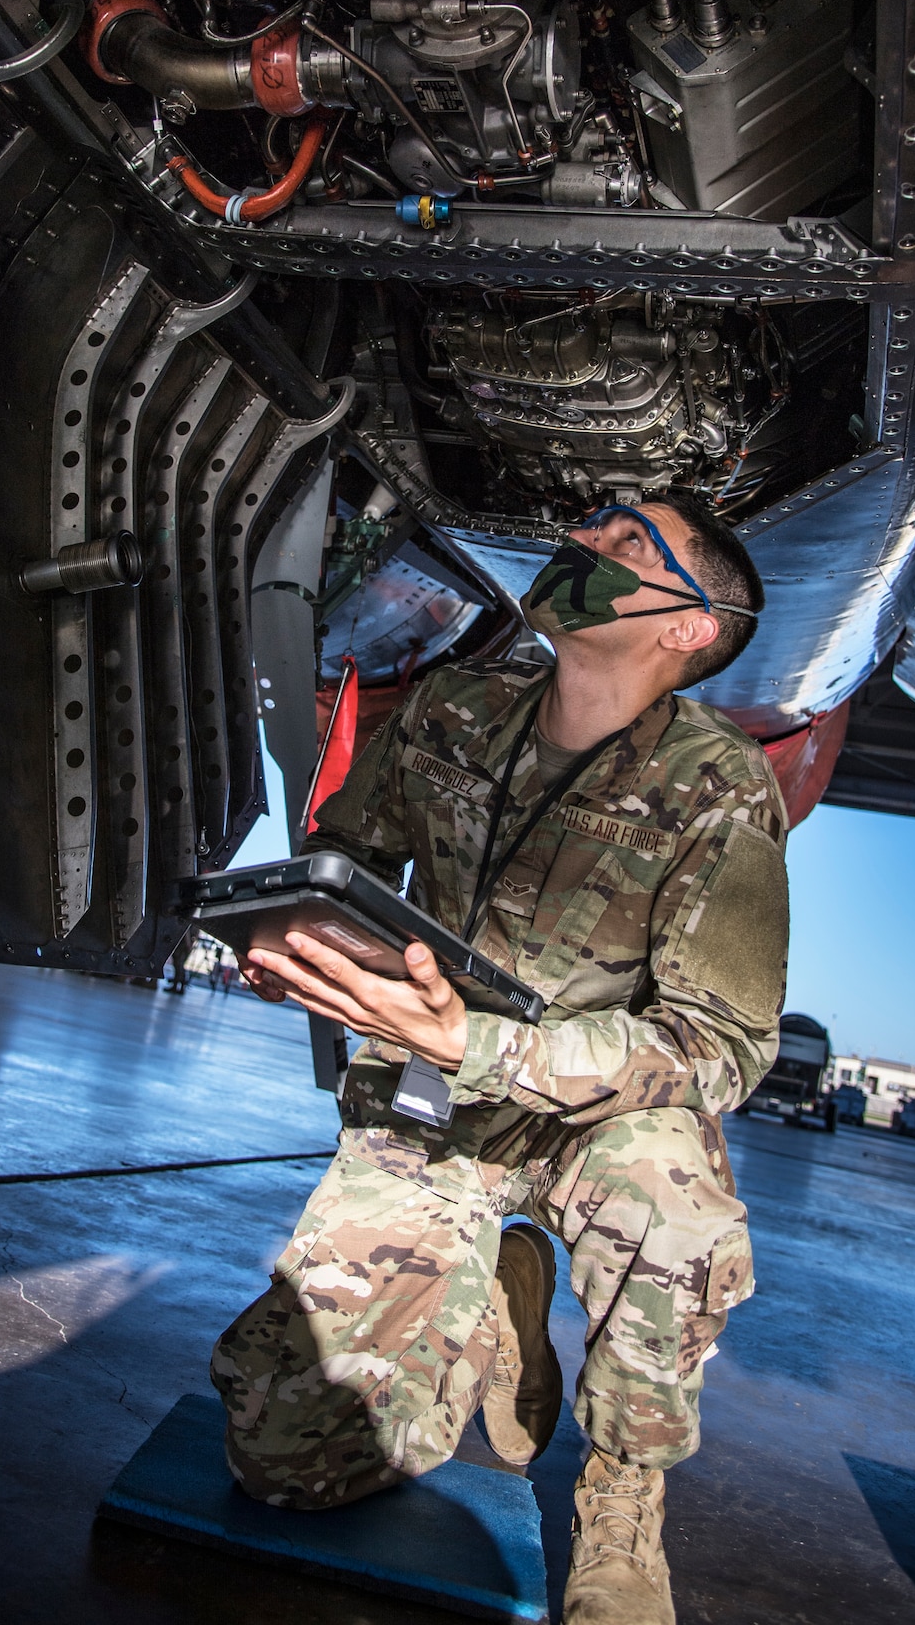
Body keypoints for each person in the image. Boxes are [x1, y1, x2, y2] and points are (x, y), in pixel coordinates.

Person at [211, 490, 789, 1625]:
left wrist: (477, 1040)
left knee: (673, 1198)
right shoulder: (455, 707)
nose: (584, 539)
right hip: (436, 1103)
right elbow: (348, 856)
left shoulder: (722, 787)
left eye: (630, 545)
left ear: (687, 625)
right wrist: (301, 936)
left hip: (593, 1119)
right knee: (285, 1462)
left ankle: (623, 1496)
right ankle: (489, 1306)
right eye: (594, 523)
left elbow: (717, 1044)